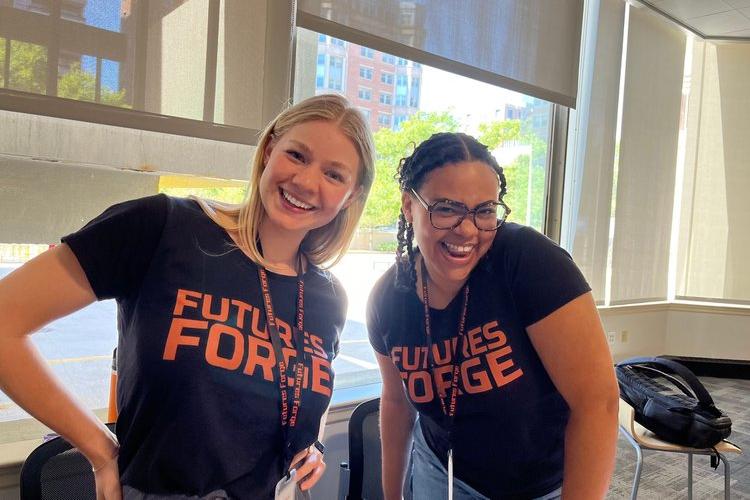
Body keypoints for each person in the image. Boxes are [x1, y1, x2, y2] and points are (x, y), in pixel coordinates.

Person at [0, 94, 375, 499]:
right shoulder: (163, 227)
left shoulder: (327, 296)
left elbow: (303, 383)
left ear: (350, 197)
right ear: (269, 150)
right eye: (297, 155)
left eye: (334, 175)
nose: (305, 182)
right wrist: (100, 452)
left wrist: (313, 443)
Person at [367, 132, 619, 500]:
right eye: (447, 208)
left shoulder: (529, 262)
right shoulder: (388, 299)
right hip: (440, 471)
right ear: (409, 206)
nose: (467, 229)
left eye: (484, 210)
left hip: (540, 484)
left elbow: (597, 403)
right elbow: (396, 401)